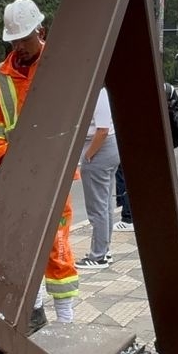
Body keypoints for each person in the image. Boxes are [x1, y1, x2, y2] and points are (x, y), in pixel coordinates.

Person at [0, 0, 80, 328]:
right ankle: (34, 310)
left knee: (56, 244)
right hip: (18, 175)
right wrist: (3, 157)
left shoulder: (60, 65)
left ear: (41, 31)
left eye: (23, 39)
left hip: (54, 172)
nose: (18, 46)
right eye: (13, 41)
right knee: (22, 243)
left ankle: (66, 318)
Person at [76, 87, 119, 269]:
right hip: (108, 148)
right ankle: (104, 250)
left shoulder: (98, 93)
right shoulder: (101, 92)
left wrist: (88, 157)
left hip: (100, 149)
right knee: (106, 204)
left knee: (97, 207)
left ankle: (98, 255)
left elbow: (102, 130)